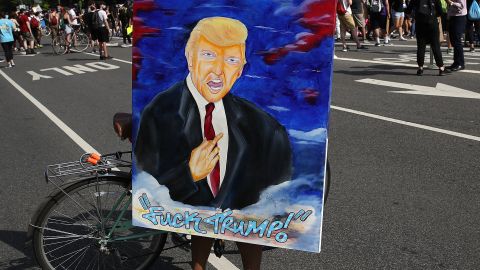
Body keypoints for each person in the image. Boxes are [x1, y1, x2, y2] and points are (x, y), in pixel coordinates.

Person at [135, 17, 292, 270]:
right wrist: (188, 175)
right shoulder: (160, 112)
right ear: (190, 57)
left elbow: (270, 201)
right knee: (203, 212)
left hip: (245, 221)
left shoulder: (266, 129)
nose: (219, 70)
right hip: (191, 214)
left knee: (248, 214)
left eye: (230, 60)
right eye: (209, 55)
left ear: (241, 68)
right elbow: (146, 183)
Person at [407, 0, 450, 75]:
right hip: (432, 23)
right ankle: (441, 68)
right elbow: (440, 11)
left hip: (420, 23)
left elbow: (408, 10)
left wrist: (415, 16)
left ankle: (420, 68)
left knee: (421, 46)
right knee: (436, 46)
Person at [446, 0, 467, 71]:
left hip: (459, 17)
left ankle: (460, 63)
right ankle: (456, 62)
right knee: (454, 41)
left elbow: (461, 6)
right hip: (453, 17)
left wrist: (450, 2)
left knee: (457, 41)